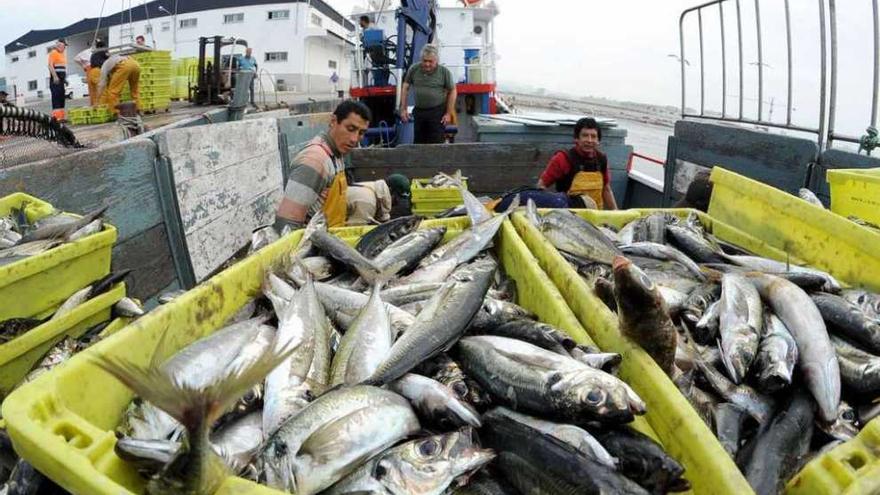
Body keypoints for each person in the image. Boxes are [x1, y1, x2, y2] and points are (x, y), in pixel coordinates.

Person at [275, 100, 371, 230]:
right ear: (333, 121)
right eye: (350, 129)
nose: (354, 139)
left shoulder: (336, 155)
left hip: (330, 236)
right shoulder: (315, 160)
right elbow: (287, 224)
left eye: (361, 133)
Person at [537, 117, 618, 210]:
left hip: (596, 216)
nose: (589, 140)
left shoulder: (602, 159)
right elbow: (541, 186)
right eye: (585, 135)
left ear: (598, 141)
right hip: (568, 216)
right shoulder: (562, 158)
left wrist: (617, 212)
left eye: (593, 136)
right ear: (576, 138)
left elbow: (606, 189)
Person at [400, 44, 456, 144]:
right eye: (425, 61)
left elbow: (452, 91)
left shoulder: (444, 72)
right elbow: (405, 87)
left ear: (436, 61)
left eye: (430, 61)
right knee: (418, 144)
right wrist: (403, 109)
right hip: (419, 112)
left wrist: (448, 113)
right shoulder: (414, 69)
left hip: (437, 113)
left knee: (436, 145)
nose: (427, 64)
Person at [47, 39, 68, 121]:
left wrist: (64, 79)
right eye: (64, 46)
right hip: (55, 79)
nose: (65, 48)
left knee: (61, 97)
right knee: (56, 97)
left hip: (61, 80)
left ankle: (61, 117)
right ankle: (56, 118)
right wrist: (55, 76)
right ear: (59, 45)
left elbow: (62, 68)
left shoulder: (62, 54)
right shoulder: (53, 53)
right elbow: (50, 66)